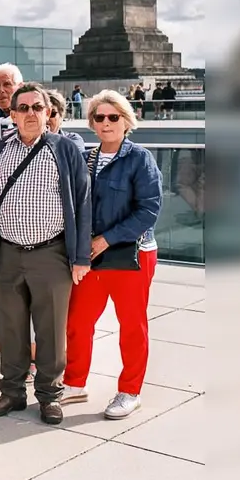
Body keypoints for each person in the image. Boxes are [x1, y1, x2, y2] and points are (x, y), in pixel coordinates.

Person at [0, 82, 92, 426]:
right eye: (23, 108)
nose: (31, 114)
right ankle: (11, 391)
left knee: (51, 330)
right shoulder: (0, 148)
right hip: (7, 253)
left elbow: (82, 203)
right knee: (9, 327)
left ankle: (50, 396)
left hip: (50, 254)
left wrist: (80, 256)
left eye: (37, 108)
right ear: (13, 114)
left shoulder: (64, 149)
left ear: (48, 112)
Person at [62, 89, 163, 420]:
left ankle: (130, 391)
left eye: (113, 117)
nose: (106, 123)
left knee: (131, 326)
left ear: (126, 120)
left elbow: (149, 210)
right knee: (78, 321)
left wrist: (107, 239)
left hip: (132, 256)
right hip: (91, 256)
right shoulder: (87, 158)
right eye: (99, 117)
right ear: (91, 122)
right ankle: (74, 383)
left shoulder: (140, 158)